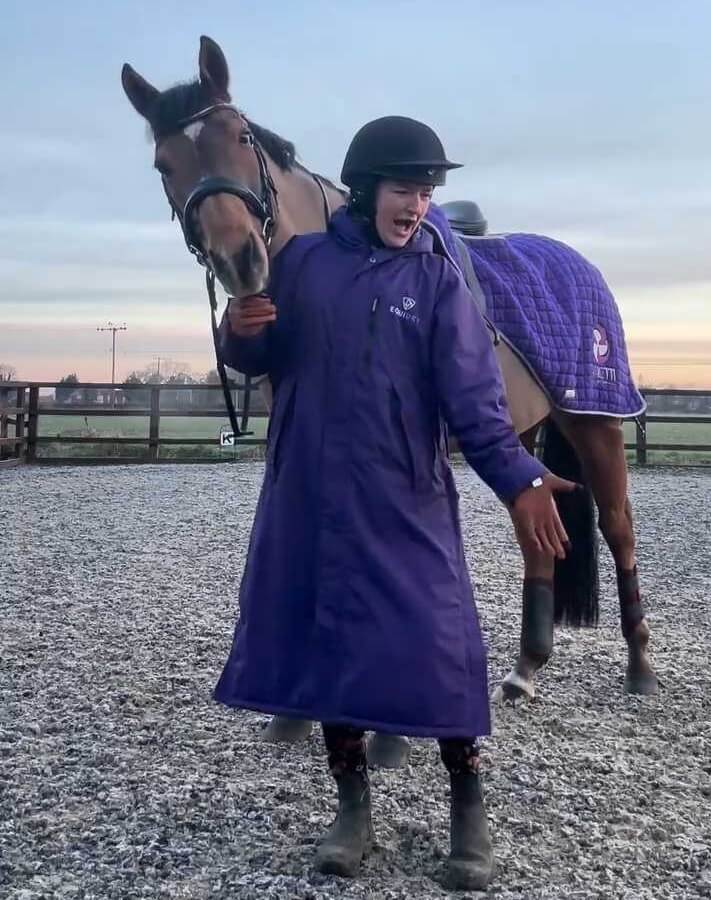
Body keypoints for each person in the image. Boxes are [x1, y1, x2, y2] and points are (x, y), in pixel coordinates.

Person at [214, 116, 575, 890]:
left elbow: (476, 407)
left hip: (404, 496)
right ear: (368, 186)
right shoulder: (303, 265)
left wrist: (521, 479)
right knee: (331, 651)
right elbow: (259, 352)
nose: (415, 206)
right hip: (310, 496)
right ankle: (352, 810)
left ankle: (467, 810)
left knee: (440, 650)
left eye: (425, 192)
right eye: (404, 188)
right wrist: (238, 333)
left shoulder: (437, 281)